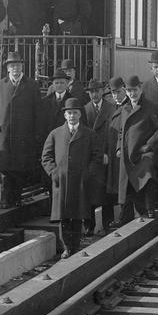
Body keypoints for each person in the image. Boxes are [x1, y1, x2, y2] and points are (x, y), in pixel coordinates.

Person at [42, 98, 102, 258]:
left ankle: (74, 245)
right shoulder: (55, 134)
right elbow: (46, 156)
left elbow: (97, 157)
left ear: (80, 114)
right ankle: (66, 247)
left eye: (75, 113)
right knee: (63, 216)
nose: (72, 116)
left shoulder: (89, 134)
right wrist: (53, 172)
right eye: (69, 113)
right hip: (61, 181)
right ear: (64, 115)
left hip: (80, 182)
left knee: (77, 215)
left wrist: (88, 173)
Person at [0, 52, 42, 207]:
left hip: (23, 134)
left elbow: (37, 111)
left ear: (22, 66)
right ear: (8, 68)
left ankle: (16, 198)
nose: (15, 68)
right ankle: (4, 199)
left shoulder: (31, 85)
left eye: (17, 65)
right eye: (12, 65)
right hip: (3, 134)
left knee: (19, 168)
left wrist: (37, 133)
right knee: (3, 168)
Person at [112, 76, 158, 224]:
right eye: (129, 91)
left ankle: (149, 208)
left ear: (140, 89)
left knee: (147, 174)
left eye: (135, 90)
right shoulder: (125, 108)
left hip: (144, 152)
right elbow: (121, 131)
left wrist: (149, 145)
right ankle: (126, 216)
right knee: (127, 184)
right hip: (127, 152)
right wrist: (118, 147)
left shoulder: (150, 107)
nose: (132, 94)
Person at [83, 80, 117, 233]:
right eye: (91, 92)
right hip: (91, 157)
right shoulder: (84, 110)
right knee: (89, 192)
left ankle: (108, 223)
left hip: (106, 155)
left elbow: (114, 133)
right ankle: (89, 226)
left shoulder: (111, 108)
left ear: (102, 91)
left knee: (106, 192)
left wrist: (107, 153)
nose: (94, 94)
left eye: (97, 91)